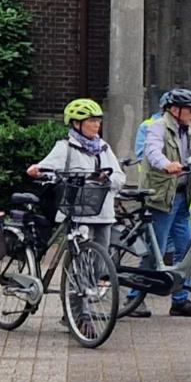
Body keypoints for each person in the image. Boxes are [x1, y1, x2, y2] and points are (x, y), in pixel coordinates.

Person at [133, 88, 191, 319]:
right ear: (175, 110)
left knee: (186, 250)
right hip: (162, 197)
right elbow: (151, 151)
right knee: (156, 251)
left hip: (184, 197)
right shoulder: (157, 127)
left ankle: (180, 300)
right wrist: (166, 164)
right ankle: (135, 299)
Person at [28, 98, 127, 260]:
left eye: (98, 120)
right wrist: (37, 170)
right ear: (76, 124)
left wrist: (107, 180)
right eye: (91, 121)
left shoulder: (104, 148)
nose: (97, 125)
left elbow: (119, 176)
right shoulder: (65, 147)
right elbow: (47, 168)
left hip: (103, 210)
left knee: (102, 259)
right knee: (80, 258)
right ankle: (76, 285)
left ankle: (93, 285)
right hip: (77, 211)